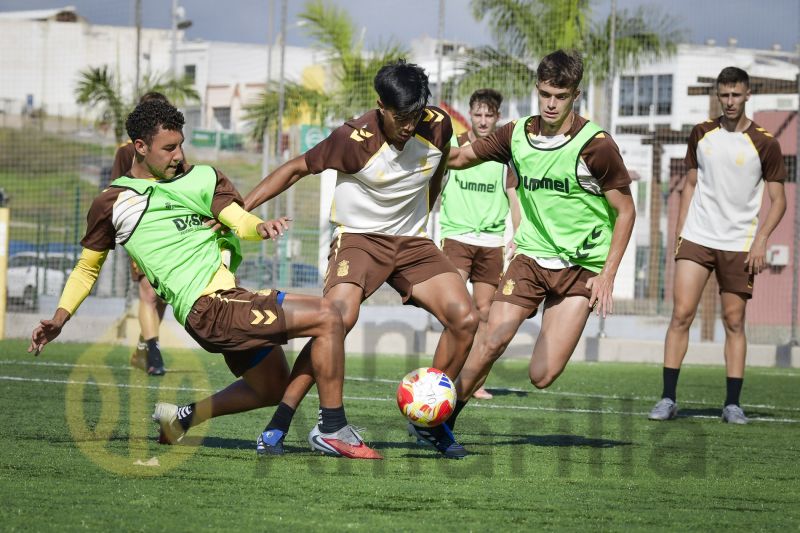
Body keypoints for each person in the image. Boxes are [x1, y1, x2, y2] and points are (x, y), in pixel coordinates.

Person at [29, 99, 381, 459]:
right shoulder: (113, 202)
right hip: (208, 308)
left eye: (181, 144)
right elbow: (87, 267)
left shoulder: (202, 177)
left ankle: (181, 420)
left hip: (230, 299)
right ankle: (333, 429)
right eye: (168, 148)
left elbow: (236, 217)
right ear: (140, 147)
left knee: (272, 387)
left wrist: (259, 227)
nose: (178, 155)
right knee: (329, 316)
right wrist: (60, 317)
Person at [242, 60, 479, 459]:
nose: (408, 125)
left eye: (415, 114)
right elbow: (296, 167)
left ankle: (429, 419)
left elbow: (439, 166)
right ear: (380, 106)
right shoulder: (352, 139)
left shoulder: (437, 124)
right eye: (399, 116)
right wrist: (241, 213)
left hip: (412, 242)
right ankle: (287, 422)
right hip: (359, 239)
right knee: (334, 319)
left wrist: (427, 208)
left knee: (465, 319)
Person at [444, 49, 636, 433]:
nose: (551, 103)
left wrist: (607, 275)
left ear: (575, 95)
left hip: (581, 267)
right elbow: (460, 158)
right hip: (531, 258)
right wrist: (409, 150)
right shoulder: (515, 133)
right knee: (491, 338)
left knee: (542, 375)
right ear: (537, 89)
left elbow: (626, 212)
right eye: (546, 93)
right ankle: (441, 419)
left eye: (560, 96)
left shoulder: (595, 146)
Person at [648, 67, 787, 425]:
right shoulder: (701, 133)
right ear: (717, 95)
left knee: (734, 321)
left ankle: (732, 404)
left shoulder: (765, 142)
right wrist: (681, 231)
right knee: (681, 315)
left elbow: (779, 201)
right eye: (723, 95)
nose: (729, 101)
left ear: (747, 95)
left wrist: (760, 241)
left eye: (735, 95)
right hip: (698, 236)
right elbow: (691, 183)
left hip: (740, 243)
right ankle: (667, 398)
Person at [438, 88, 520, 400]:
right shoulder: (454, 149)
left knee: (485, 313)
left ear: (497, 117)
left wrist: (518, 234)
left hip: (490, 243)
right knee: (458, 310)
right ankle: (447, 374)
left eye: (489, 115)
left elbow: (515, 200)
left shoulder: (504, 157)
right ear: (469, 114)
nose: (483, 121)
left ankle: (473, 380)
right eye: (478, 114)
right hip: (457, 238)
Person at [111, 91, 171, 376]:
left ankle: (143, 349)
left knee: (161, 296)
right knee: (148, 291)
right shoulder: (126, 151)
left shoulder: (172, 150)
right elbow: (115, 190)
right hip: (140, 230)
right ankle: (155, 356)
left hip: (168, 233)